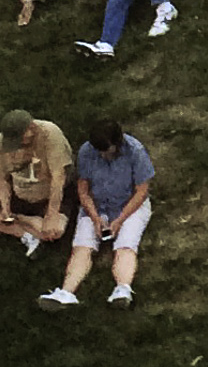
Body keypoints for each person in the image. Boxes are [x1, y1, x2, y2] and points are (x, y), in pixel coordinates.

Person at [36, 119, 153, 310]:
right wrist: (95, 217)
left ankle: (122, 289)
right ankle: (66, 292)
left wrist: (120, 220)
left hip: (129, 205)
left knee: (125, 245)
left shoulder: (135, 152)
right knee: (82, 247)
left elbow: (141, 191)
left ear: (117, 143)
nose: (102, 154)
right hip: (96, 205)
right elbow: (83, 189)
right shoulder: (86, 151)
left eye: (106, 150)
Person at [0, 109, 72, 255]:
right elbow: (1, 179)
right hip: (19, 193)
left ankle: (2, 225)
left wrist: (51, 214)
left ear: (31, 128)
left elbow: (58, 178)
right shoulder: (2, 141)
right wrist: (5, 208)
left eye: (20, 139)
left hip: (47, 195)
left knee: (55, 231)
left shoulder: (50, 133)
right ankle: (24, 233)